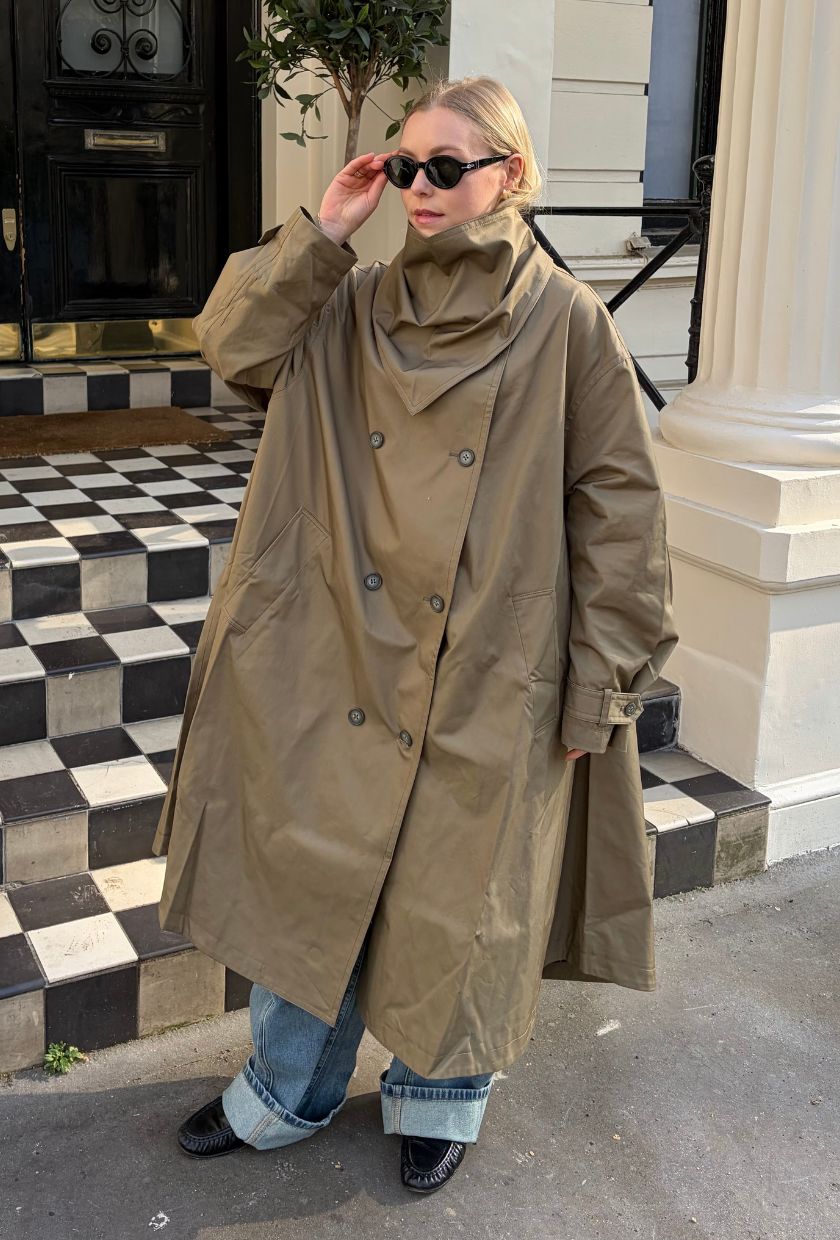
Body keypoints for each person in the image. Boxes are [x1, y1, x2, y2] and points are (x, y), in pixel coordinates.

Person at [163, 75, 678, 1195]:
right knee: (316, 873)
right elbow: (231, 345)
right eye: (405, 166)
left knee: (460, 903)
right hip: (336, 643)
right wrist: (326, 228)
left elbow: (621, 517)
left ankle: (442, 1096)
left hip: (491, 658)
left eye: (448, 166)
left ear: (512, 174)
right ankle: (286, 1090)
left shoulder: (569, 322)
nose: (421, 188)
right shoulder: (348, 301)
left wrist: (600, 688)